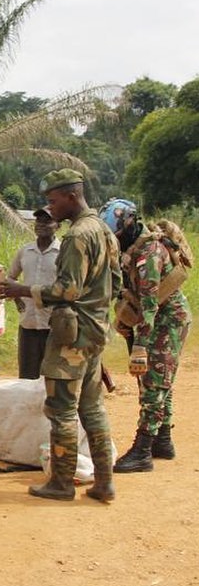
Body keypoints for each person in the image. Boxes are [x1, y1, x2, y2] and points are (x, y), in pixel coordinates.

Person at [0, 168, 121, 503]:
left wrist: (22, 289)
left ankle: (62, 483)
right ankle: (104, 482)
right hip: (95, 331)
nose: (50, 209)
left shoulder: (78, 236)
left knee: (62, 408)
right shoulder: (105, 231)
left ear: (71, 196)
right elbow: (117, 282)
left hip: (72, 337)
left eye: (53, 201)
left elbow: (67, 289)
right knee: (92, 408)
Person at [100, 198, 192, 472]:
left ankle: (142, 451)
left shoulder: (149, 254)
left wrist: (140, 347)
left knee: (153, 383)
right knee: (160, 381)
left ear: (129, 224)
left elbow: (150, 305)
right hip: (158, 319)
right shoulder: (133, 250)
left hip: (168, 321)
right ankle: (163, 441)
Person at [7, 206, 61, 379]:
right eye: (39, 220)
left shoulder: (63, 253)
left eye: (47, 221)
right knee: (27, 376)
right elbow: (10, 278)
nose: (41, 225)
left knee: (53, 377)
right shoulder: (25, 251)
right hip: (28, 323)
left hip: (53, 325)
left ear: (57, 225)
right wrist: (16, 297)